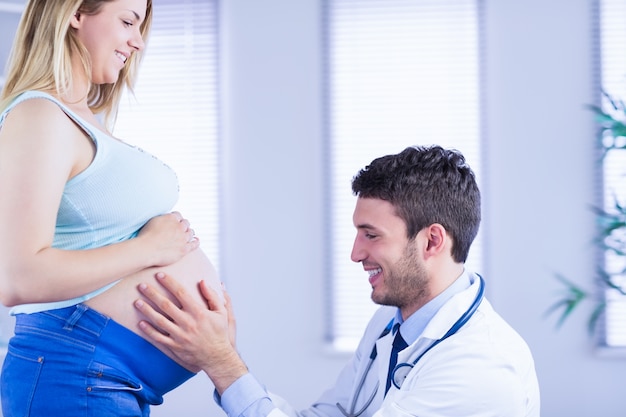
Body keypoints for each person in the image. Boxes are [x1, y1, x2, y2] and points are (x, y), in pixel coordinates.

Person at [134, 145, 541, 417]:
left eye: (372, 235)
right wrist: (223, 356)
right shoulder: (392, 325)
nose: (355, 253)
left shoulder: (479, 367)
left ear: (432, 240)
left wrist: (222, 364)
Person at [0, 0, 221, 415]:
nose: (137, 42)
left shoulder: (78, 119)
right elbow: (17, 278)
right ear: (75, 13)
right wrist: (150, 250)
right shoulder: (38, 115)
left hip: (99, 379)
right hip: (73, 374)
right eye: (127, 22)